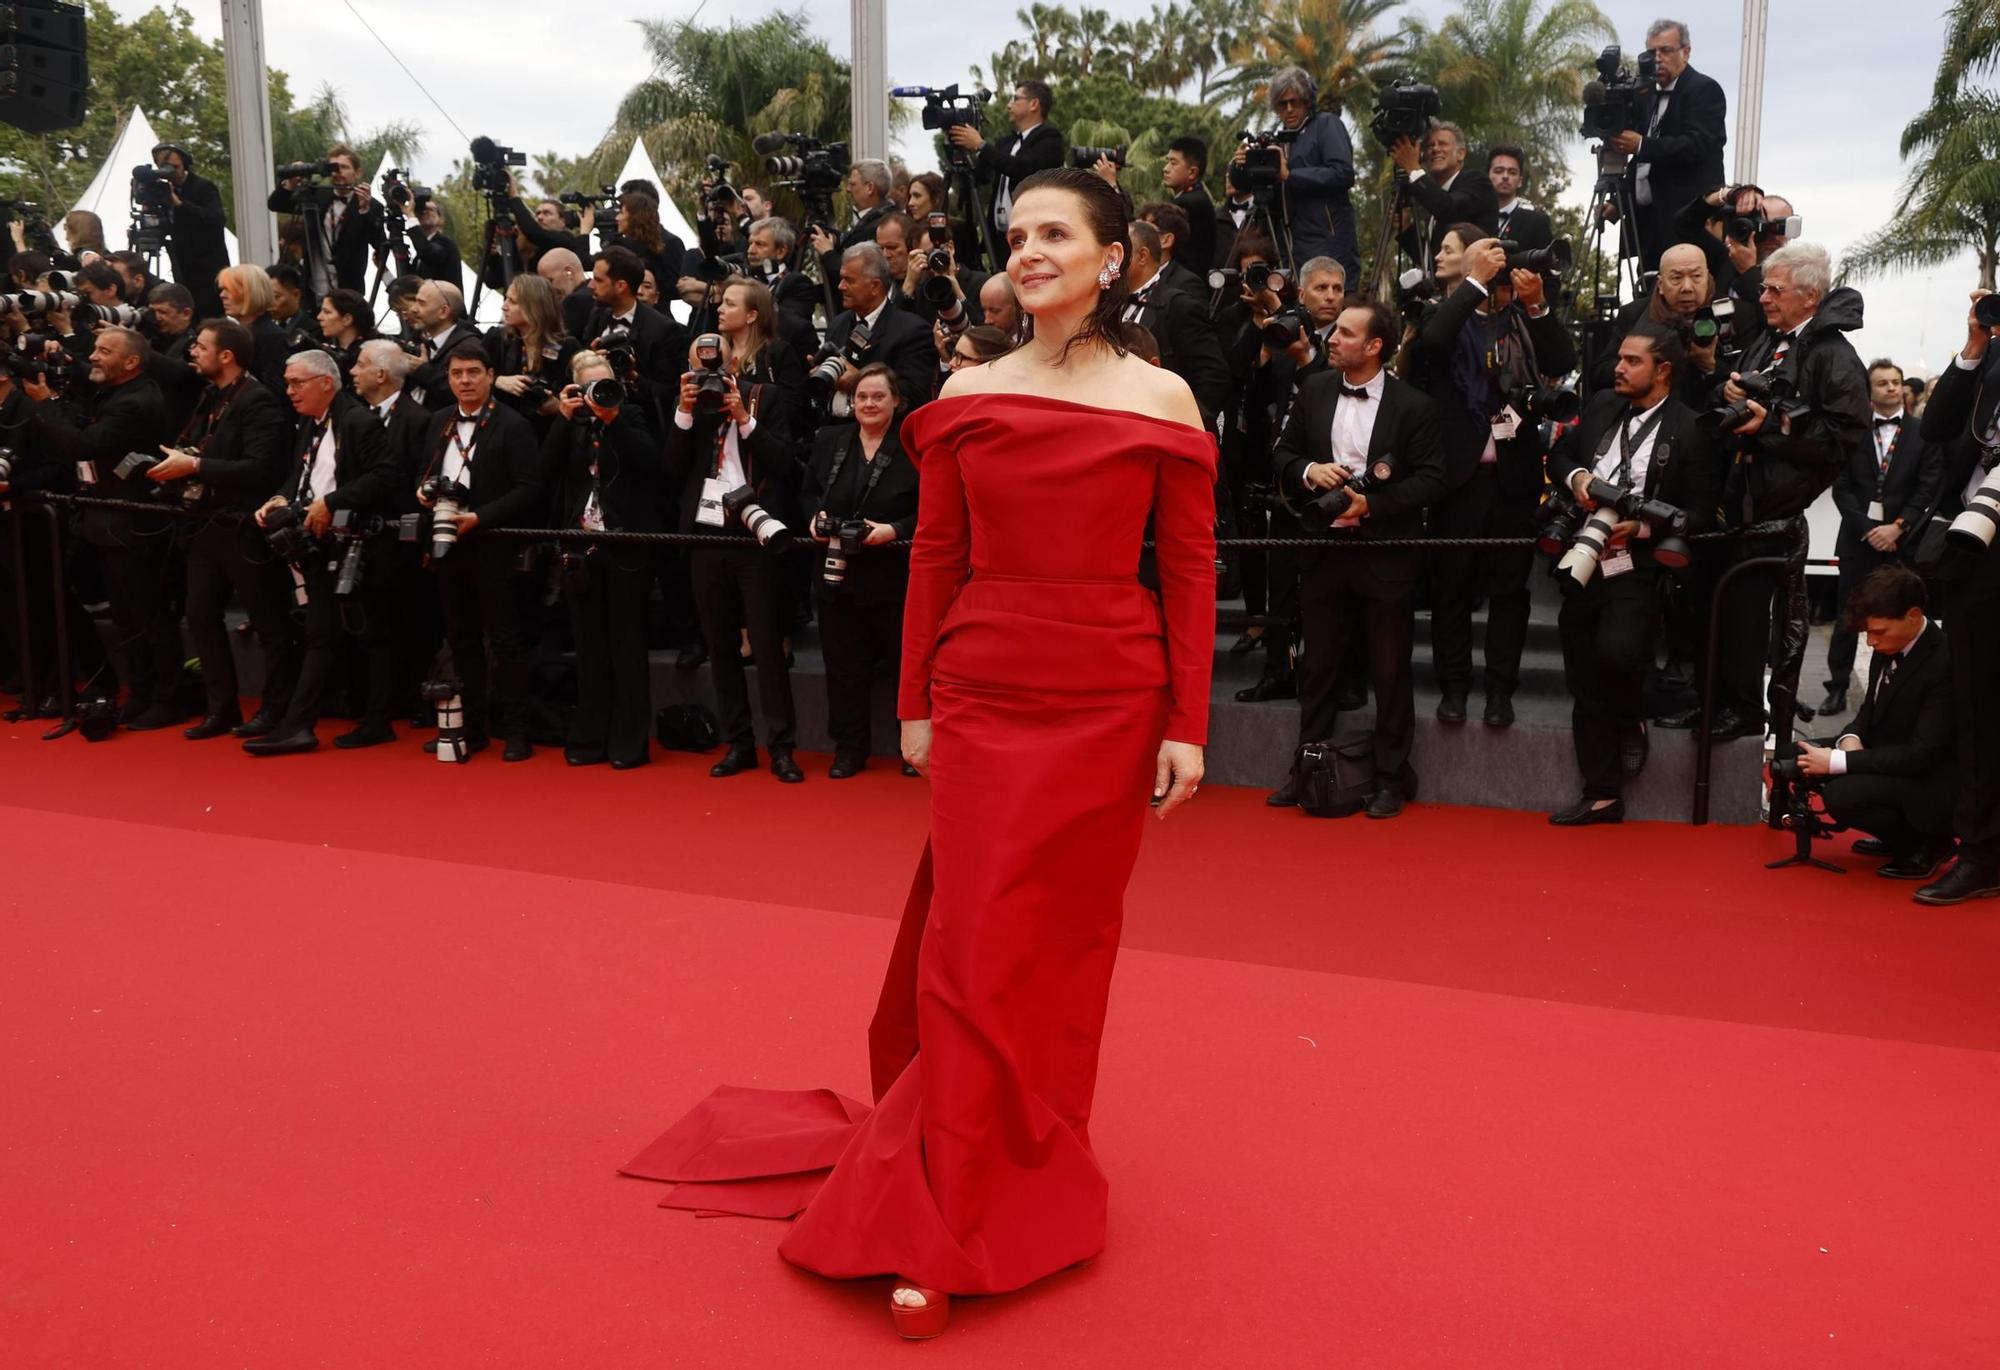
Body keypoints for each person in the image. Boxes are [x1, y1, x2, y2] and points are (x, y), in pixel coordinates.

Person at [628, 166, 1213, 1339]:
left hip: (1107, 690)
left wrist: (1187, 723)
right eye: (1016, 234)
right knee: (969, 940)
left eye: (1057, 232)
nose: (1031, 249)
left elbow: (1190, 572)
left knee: (1059, 946)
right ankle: (940, 1197)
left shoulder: (1164, 398)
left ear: (1112, 257)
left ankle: (1025, 1156)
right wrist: (913, 701)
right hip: (986, 683)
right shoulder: (963, 390)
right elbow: (935, 559)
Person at [1656, 242, 1867, 739]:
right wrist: (1727, 389)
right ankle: (1709, 702)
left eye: (1775, 289)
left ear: (1809, 296)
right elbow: (1735, 395)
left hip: (1772, 510)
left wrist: (1769, 425)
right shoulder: (1772, 339)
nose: (1764, 297)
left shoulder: (1834, 354)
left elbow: (1843, 438)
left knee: (1747, 618)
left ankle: (1744, 709)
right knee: (1709, 608)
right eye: (1766, 287)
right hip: (1732, 499)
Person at [1267, 299, 1448, 816]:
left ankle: (1391, 778)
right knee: (1319, 667)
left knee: (1390, 672)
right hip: (1322, 549)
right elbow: (1281, 454)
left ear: (1375, 346)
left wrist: (1375, 504)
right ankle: (1304, 771)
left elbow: (1434, 479)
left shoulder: (1414, 406)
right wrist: (1308, 472)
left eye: (1346, 333)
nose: (1332, 338)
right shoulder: (1316, 387)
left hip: (1384, 554)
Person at [1547, 324, 1720, 824]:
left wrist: (1641, 529)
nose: (1617, 368)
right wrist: (1579, 477)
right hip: (1582, 556)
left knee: (1618, 655)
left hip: (1637, 564)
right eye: (1619, 358)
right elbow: (1560, 454)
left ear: (1662, 369)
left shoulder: (1692, 427)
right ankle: (1601, 792)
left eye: (1631, 361)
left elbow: (1704, 511)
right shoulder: (1602, 405)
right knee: (1581, 669)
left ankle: (1629, 720)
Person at [1404, 226, 1575, 726]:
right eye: (1483, 261)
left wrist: (1537, 304)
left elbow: (1562, 361)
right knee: (1452, 588)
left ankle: (1500, 689)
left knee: (1509, 591)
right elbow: (1433, 343)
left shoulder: (1520, 321)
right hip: (1458, 478)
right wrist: (1473, 286)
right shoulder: (1442, 315)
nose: (1494, 268)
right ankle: (1454, 686)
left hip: (1514, 478)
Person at [664, 280, 805, 782]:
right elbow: (671, 468)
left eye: (716, 362)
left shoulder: (763, 397)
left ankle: (782, 747)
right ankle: (739, 742)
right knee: (721, 646)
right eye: (701, 363)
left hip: (757, 534)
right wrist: (683, 411)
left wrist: (745, 418)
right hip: (707, 536)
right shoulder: (690, 406)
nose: (709, 372)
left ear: (733, 364)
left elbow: (785, 462)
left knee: (767, 647)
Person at [23, 326, 179, 728]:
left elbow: (82, 445)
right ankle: (143, 692)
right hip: (109, 522)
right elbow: (88, 392)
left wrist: (44, 405)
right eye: (94, 348)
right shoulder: (119, 390)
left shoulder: (136, 402)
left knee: (149, 615)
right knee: (127, 615)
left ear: (130, 362)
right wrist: (66, 364)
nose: (93, 355)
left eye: (103, 350)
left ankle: (167, 697)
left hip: (134, 522)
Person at [242, 349, 395, 755]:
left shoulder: (359, 420)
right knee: (323, 634)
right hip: (319, 543)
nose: (289, 390)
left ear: (326, 383)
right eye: (288, 383)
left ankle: (347, 722)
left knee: (365, 634)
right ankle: (301, 725)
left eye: (297, 383)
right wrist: (280, 497)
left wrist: (332, 502)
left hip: (359, 545)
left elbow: (387, 476)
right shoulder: (310, 424)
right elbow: (302, 473)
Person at [150, 319, 295, 740]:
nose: (192, 351)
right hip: (205, 527)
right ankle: (222, 707)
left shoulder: (259, 401)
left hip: (244, 528)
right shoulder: (210, 397)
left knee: (269, 621)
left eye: (200, 346)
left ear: (226, 355)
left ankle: (275, 709)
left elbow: (261, 468)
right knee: (198, 615)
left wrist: (195, 465)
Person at [1911, 288, 2000, 904]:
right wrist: (1974, 346)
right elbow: (1937, 428)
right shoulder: (1991, 357)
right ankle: (1982, 851)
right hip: (1978, 546)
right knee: (1979, 703)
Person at [417, 347, 545, 761]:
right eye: (457, 373)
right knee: (460, 640)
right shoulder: (439, 420)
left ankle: (517, 731)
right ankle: (469, 729)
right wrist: (423, 490)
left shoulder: (514, 424)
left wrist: (480, 517)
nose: (465, 380)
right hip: (448, 545)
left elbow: (529, 489)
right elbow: (430, 470)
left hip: (493, 544)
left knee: (506, 641)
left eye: (474, 372)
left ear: (491, 376)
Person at [1795, 565, 1957, 879]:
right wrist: (1849, 740)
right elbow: (1867, 713)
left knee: (1841, 795)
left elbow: (1924, 756)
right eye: (1867, 632)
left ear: (1913, 616)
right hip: (1891, 755)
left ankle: (1927, 844)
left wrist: (1842, 761)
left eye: (1878, 632)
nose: (1870, 643)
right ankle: (1895, 838)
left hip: (1932, 781)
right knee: (1795, 756)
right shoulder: (1893, 644)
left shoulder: (1944, 662)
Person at [801, 363, 919, 775]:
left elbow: (933, 507)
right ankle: (849, 748)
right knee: (842, 667)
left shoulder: (912, 444)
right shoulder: (831, 440)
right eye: (861, 397)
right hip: (836, 574)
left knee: (905, 665)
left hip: (893, 575)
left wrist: (894, 530)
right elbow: (808, 492)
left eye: (878, 397)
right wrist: (813, 518)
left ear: (897, 401)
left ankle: (912, 748)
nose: (868, 404)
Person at [548, 349, 663, 769]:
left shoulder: (631, 416)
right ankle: (590, 737)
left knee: (627, 647)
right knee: (589, 648)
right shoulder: (571, 423)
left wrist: (612, 417)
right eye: (589, 386)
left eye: (605, 384)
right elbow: (545, 472)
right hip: (580, 547)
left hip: (626, 546)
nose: (598, 393)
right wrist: (563, 418)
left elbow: (653, 463)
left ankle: (629, 744)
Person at [1820, 359, 1941, 714]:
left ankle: (1903, 690)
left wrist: (1898, 526)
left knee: (1903, 614)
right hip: (1859, 540)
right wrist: (1869, 530)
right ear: (1869, 390)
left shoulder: (1923, 432)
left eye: (1895, 382)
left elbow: (1929, 484)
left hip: (1904, 541)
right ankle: (1837, 687)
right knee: (1848, 615)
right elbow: (1841, 487)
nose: (1890, 387)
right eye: (1882, 383)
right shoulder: (1853, 432)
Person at [341, 338, 435, 748]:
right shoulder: (356, 417)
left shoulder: (417, 419)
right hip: (366, 537)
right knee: (377, 630)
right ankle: (383, 705)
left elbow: (420, 478)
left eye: (360, 364)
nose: (352, 371)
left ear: (381, 374)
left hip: (403, 541)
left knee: (406, 628)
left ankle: (394, 708)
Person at [1612, 18, 1728, 272]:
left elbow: (1696, 145)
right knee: (1649, 296)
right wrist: (1619, 197)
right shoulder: (1646, 95)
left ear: (1686, 52)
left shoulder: (1704, 89)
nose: (1657, 59)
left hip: (1686, 220)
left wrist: (1642, 144)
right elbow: (1640, 162)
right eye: (1651, 52)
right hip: (1647, 220)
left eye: (1665, 51)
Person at [1225, 67, 1357, 282]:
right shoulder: (1276, 141)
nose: (1289, 109)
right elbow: (1244, 187)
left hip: (1327, 242)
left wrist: (1290, 175)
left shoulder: (1325, 125)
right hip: (1287, 244)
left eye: (1295, 102)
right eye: (1282, 104)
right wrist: (1240, 165)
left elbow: (1343, 173)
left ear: (1308, 101)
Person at [1120, 220, 1229, 422]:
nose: (1111, 258)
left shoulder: (1180, 305)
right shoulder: (1107, 303)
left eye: (1120, 251)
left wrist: (1182, 425)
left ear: (1142, 256)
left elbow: (1213, 377)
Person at [817, 243, 937, 419]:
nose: (840, 286)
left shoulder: (912, 330)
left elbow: (916, 395)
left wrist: (859, 381)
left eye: (849, 280)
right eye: (841, 278)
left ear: (875, 286)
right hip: (835, 435)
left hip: (889, 436)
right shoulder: (838, 325)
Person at [948, 80, 1064, 260]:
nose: (1009, 105)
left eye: (1015, 98)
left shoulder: (1049, 139)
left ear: (1034, 104)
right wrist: (966, 149)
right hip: (1000, 240)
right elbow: (982, 177)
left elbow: (1022, 168)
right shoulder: (1006, 143)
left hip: (1032, 235)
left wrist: (981, 145)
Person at [267, 144, 386, 297]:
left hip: (348, 291)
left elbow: (380, 245)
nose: (338, 172)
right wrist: (290, 183)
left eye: (344, 167)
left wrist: (364, 210)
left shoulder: (372, 205)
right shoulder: (317, 196)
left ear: (357, 172)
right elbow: (276, 204)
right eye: (334, 167)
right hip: (311, 288)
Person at [1391, 122, 1499, 274]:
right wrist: (1407, 228)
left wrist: (1413, 169)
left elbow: (1447, 208)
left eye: (1442, 144)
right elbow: (1431, 260)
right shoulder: (1436, 195)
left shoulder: (1477, 182)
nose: (1435, 149)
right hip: (1445, 292)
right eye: (1430, 145)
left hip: (1474, 288)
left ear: (1461, 153)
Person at [488, 274, 578, 439]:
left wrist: (559, 406)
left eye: (512, 301)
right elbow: (473, 378)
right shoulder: (497, 339)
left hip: (548, 437)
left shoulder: (567, 347)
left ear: (535, 307)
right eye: (505, 299)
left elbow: (580, 398)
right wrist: (498, 381)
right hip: (503, 434)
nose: (504, 306)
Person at [151, 142, 230, 319]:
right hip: (182, 265)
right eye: (165, 167)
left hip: (208, 268)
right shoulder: (161, 189)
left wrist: (180, 204)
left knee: (210, 315)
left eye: (175, 167)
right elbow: (168, 224)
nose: (172, 172)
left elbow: (216, 219)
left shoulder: (203, 187)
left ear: (185, 164)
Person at [404, 279, 484, 411]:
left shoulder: (469, 347)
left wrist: (423, 370)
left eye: (422, 303)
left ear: (443, 312)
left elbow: (463, 392)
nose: (413, 309)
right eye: (415, 301)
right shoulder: (420, 342)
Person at [1163, 136, 1218, 272]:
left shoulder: (1188, 203)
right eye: (1167, 162)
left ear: (1192, 172)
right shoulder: (1195, 196)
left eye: (1173, 163)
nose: (1166, 169)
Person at [1487, 144, 1551, 251]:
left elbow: (1546, 264)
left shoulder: (1537, 222)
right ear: (1487, 176)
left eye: (1512, 172)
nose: (1505, 176)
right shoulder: (1471, 215)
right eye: (1499, 171)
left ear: (1520, 181)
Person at [315, 286, 376, 383]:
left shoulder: (373, 355)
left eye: (327, 312)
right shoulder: (326, 346)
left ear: (347, 319)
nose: (319, 317)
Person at [403, 196, 460, 284]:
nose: (425, 212)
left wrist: (410, 215)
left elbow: (428, 253)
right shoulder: (418, 259)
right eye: (421, 210)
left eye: (431, 209)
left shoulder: (446, 244)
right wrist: (385, 273)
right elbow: (405, 289)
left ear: (440, 219)